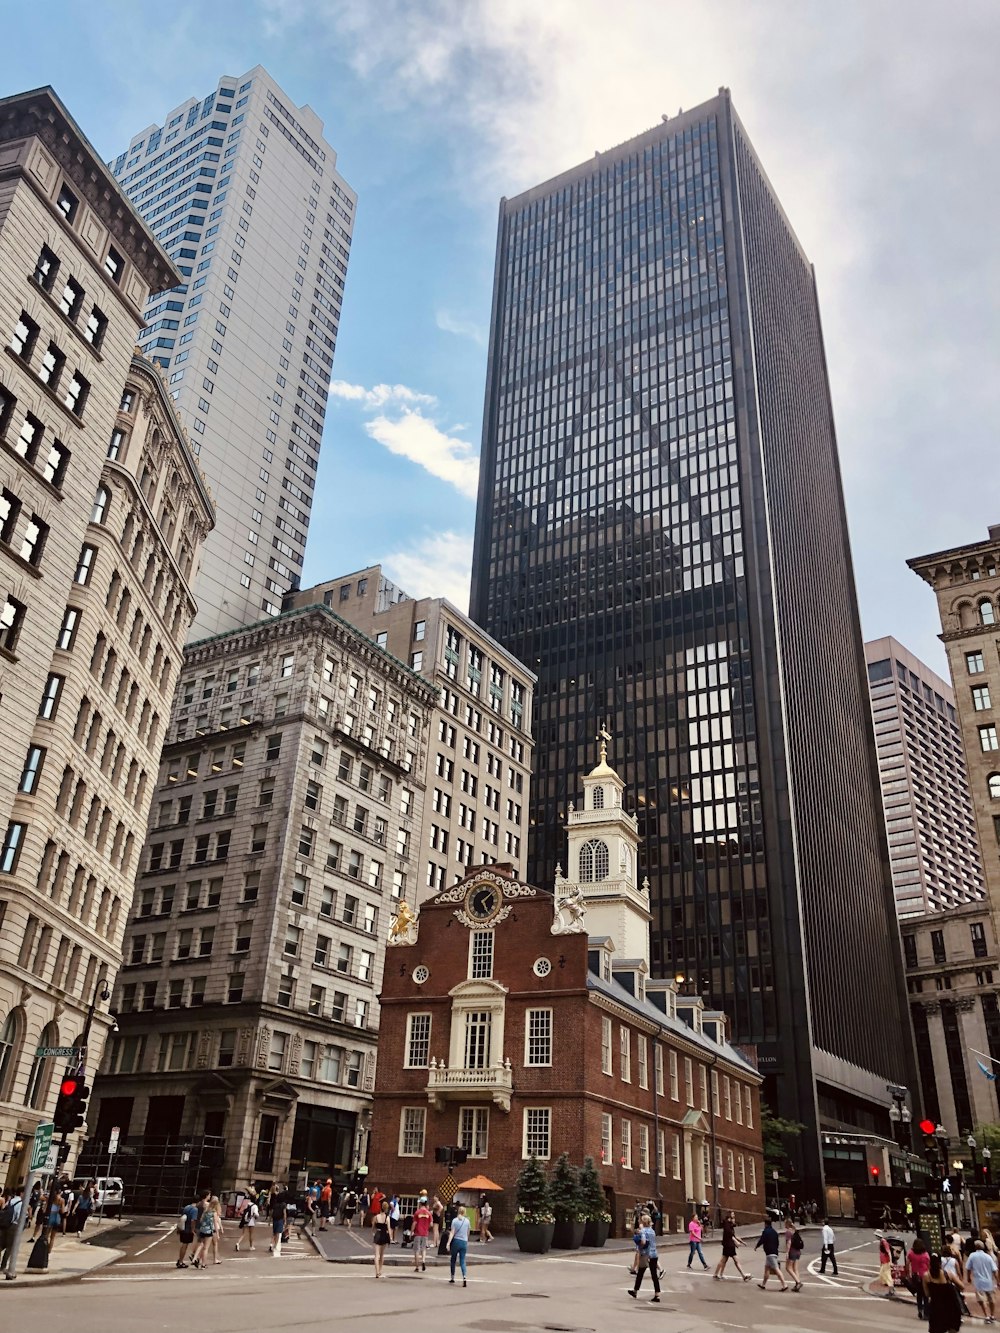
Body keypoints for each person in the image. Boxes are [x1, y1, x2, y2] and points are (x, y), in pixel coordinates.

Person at [925, 1252, 964, 1333]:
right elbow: (962, 1286)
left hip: (936, 1308)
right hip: (951, 1307)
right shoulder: (948, 1274)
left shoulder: (926, 1276)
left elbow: (927, 1294)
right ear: (940, 1262)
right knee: (952, 1329)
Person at [629, 1211, 661, 1303]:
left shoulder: (643, 1231)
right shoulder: (652, 1231)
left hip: (646, 1254)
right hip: (654, 1254)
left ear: (643, 1222)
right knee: (654, 1275)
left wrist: (640, 1244)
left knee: (640, 1273)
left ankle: (635, 1291)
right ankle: (657, 1294)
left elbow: (643, 1241)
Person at [966, 1239, 998, 1323]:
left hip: (978, 1281)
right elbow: (994, 1270)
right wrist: (998, 1281)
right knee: (991, 1299)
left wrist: (968, 1277)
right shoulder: (988, 1257)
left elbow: (968, 1268)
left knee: (981, 1299)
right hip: (989, 1281)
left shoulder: (972, 1256)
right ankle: (992, 1315)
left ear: (975, 1246)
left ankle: (986, 1316)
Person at [714, 1210, 751, 1281]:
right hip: (729, 1245)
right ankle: (743, 1275)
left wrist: (742, 1242)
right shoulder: (727, 1224)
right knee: (735, 1261)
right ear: (729, 1216)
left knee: (723, 1260)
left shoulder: (729, 1225)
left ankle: (717, 1274)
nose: (734, 1216)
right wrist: (736, 1242)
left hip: (728, 1245)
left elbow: (734, 1235)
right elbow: (730, 1235)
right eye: (733, 1215)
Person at [755, 1214, 788, 1291]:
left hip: (770, 1253)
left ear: (765, 1224)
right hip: (773, 1252)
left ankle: (784, 1284)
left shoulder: (765, 1232)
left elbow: (762, 1240)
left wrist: (756, 1246)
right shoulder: (775, 1232)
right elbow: (777, 1242)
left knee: (776, 1269)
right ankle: (763, 1284)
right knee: (766, 1269)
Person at [176, 1191, 205, 1269]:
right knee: (185, 1245)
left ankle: (180, 1260)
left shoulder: (187, 1207)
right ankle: (180, 1261)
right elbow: (193, 1220)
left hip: (183, 1227)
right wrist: (193, 1230)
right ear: (198, 1201)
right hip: (188, 1229)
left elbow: (182, 1217)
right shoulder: (195, 1209)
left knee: (183, 1245)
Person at [190, 1194, 218, 1269]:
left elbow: (201, 1220)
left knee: (200, 1244)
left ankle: (195, 1258)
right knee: (206, 1248)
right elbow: (215, 1223)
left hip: (202, 1229)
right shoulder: (213, 1212)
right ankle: (203, 1264)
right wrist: (217, 1234)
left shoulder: (205, 1211)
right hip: (209, 1231)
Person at [907, 1238, 931, 1321]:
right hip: (924, 1275)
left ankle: (920, 1309)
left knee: (919, 1294)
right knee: (926, 1295)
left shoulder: (911, 1253)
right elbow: (929, 1265)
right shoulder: (925, 1254)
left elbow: (907, 1263)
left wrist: (908, 1274)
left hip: (915, 1275)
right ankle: (926, 1313)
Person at [0, 1187, 23, 1268]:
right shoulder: (20, 1203)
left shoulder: (11, 1200)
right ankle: (3, 1266)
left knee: (2, 1244)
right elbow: (19, 1216)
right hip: (14, 1225)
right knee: (9, 1247)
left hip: (6, 1224)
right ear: (22, 1193)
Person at [448, 1204, 471, 1286]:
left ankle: (452, 1277)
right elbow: (468, 1233)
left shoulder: (454, 1220)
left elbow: (452, 1232)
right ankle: (464, 1277)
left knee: (453, 1259)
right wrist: (466, 1240)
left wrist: (448, 1243)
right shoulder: (467, 1221)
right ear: (464, 1212)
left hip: (456, 1241)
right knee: (462, 1261)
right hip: (464, 1242)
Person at [412, 1196, 432, 1272]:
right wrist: (426, 1227)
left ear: (420, 1203)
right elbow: (431, 1224)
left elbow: (414, 1223)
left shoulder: (417, 1212)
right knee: (423, 1249)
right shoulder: (428, 1213)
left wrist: (411, 1231)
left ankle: (417, 1267)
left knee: (416, 1250)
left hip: (417, 1233)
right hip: (425, 1233)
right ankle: (423, 1260)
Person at [372, 1198, 391, 1278]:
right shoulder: (387, 1218)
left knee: (376, 1255)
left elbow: (373, 1227)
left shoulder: (376, 1217)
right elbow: (389, 1229)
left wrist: (373, 1233)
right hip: (384, 1235)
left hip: (378, 1234)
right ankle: (380, 1270)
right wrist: (390, 1238)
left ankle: (376, 1272)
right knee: (382, 1255)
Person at [269, 1182, 288, 1257]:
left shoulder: (275, 1204)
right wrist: (285, 1221)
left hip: (274, 1219)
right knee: (278, 1234)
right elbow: (284, 1214)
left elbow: (272, 1213)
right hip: (280, 1219)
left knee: (274, 1233)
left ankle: (271, 1243)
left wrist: (269, 1221)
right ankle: (275, 1246)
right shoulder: (283, 1205)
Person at [785, 1222, 804, 1292]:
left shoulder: (788, 1232)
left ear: (786, 1224)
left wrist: (787, 1252)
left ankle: (798, 1282)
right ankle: (797, 1284)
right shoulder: (794, 1231)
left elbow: (789, 1242)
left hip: (792, 1252)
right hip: (798, 1252)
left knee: (788, 1268)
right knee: (795, 1269)